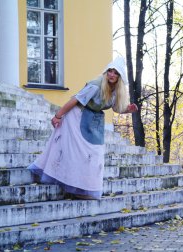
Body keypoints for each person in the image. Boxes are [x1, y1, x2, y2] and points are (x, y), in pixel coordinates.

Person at [28, 57, 138, 200]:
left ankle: (84, 188)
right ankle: (77, 188)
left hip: (93, 121)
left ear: (119, 77)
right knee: (78, 153)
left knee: (94, 154)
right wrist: (58, 116)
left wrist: (127, 110)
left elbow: (116, 108)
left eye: (115, 73)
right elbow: (75, 100)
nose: (111, 74)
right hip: (77, 116)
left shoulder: (116, 91)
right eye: (110, 71)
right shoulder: (96, 85)